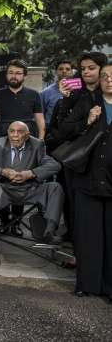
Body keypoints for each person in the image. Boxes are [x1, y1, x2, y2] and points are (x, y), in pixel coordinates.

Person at [62, 61, 112, 302]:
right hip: (88, 178)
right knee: (87, 235)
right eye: (105, 76)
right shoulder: (88, 102)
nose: (109, 80)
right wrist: (87, 122)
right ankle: (87, 283)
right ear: (99, 81)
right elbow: (65, 130)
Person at [0, 121, 63, 243]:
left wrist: (31, 173)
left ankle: (49, 231)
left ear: (27, 135)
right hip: (5, 190)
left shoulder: (37, 145)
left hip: (30, 189)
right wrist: (2, 171)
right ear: (8, 133)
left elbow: (55, 165)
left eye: (20, 132)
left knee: (55, 187)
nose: (15, 135)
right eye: (11, 131)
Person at [0, 59, 45, 236]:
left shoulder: (34, 95)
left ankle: (16, 223)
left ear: (24, 76)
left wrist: (39, 144)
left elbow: (40, 121)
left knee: (21, 180)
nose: (14, 76)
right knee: (3, 180)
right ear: (7, 74)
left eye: (18, 73)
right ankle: (4, 221)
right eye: (11, 72)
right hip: (3, 140)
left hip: (27, 143)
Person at [53, 52, 107, 243]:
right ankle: (75, 240)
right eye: (83, 68)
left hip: (103, 158)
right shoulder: (75, 87)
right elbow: (62, 129)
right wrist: (66, 99)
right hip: (76, 156)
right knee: (74, 202)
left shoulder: (106, 93)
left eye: (91, 68)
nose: (86, 72)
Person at [41, 60, 73, 128]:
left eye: (67, 69)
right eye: (60, 69)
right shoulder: (45, 93)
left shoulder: (78, 91)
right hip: (51, 132)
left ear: (72, 72)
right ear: (56, 72)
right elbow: (40, 116)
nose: (64, 71)